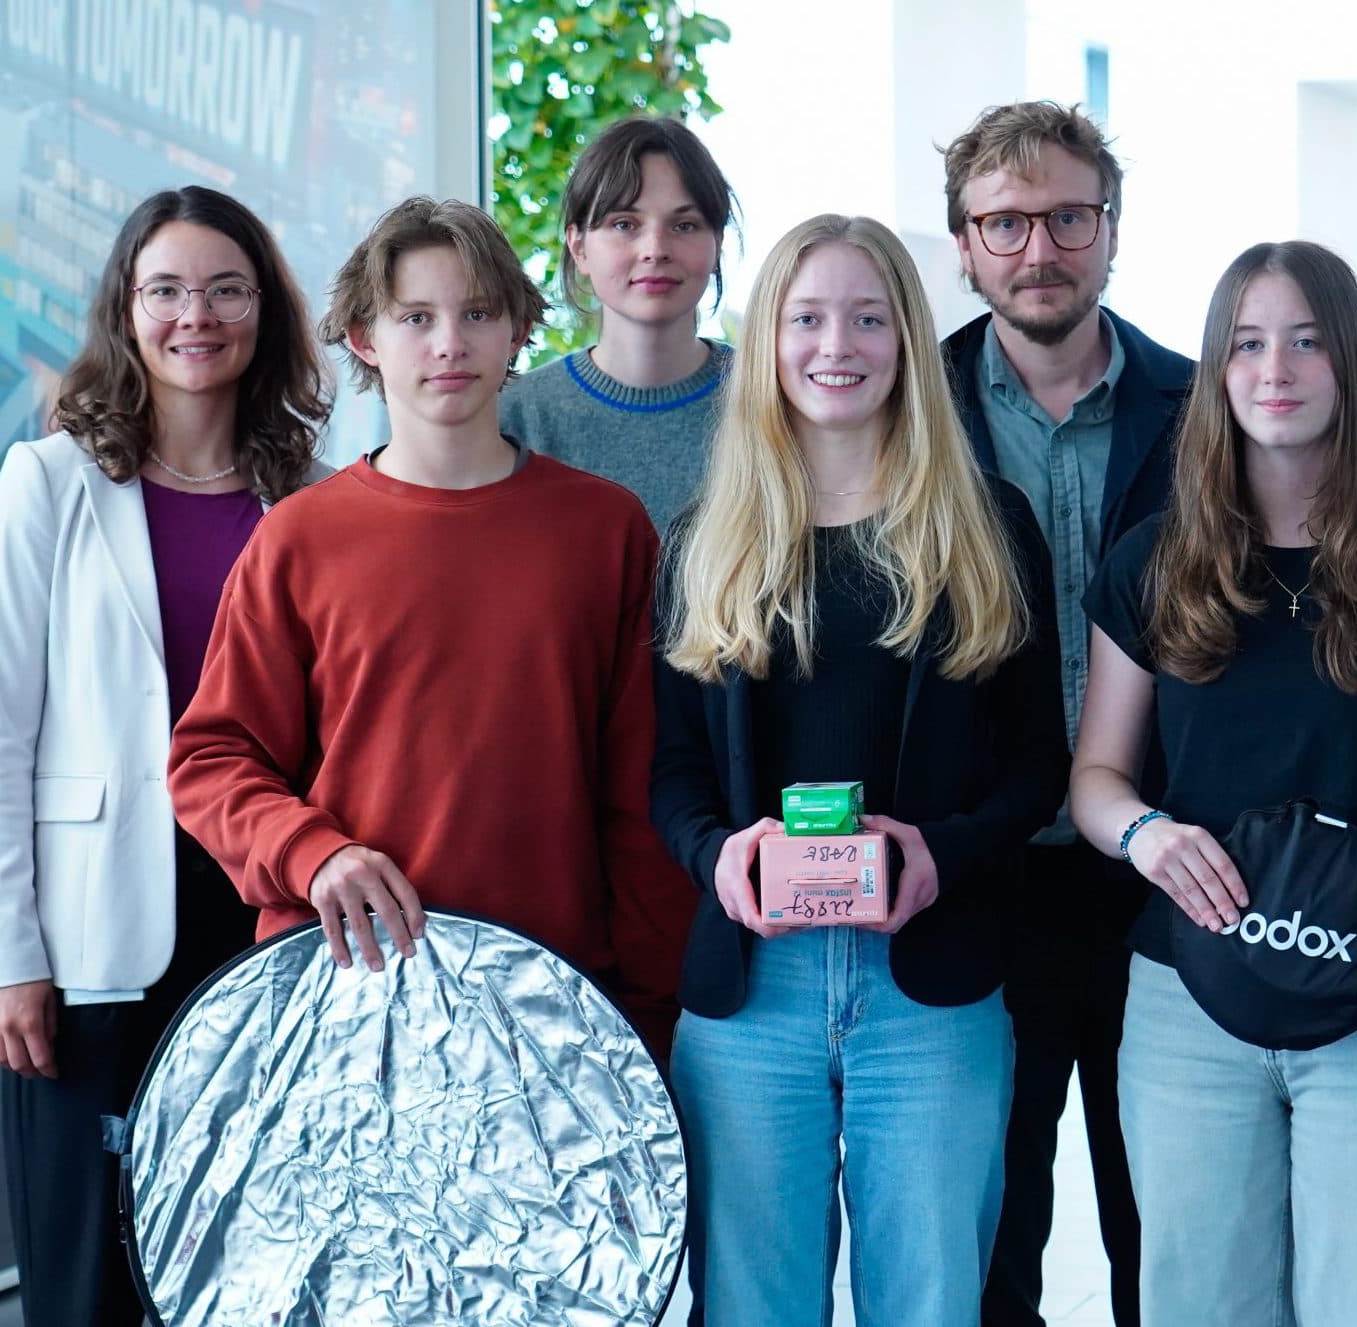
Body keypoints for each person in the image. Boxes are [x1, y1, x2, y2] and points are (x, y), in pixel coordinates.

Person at [1070, 239, 1357, 1324]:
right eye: (1249, 344)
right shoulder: (1151, 561)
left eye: (1306, 343)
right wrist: (1145, 836)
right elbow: (1094, 775)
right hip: (1189, 1002)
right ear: (1217, 371)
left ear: (1348, 367)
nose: (1276, 369)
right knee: (1200, 1304)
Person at [650, 213, 1067, 1324]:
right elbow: (670, 774)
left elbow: (1040, 765)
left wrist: (943, 849)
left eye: (869, 317)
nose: (837, 343)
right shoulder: (705, 538)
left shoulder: (988, 528)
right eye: (806, 317)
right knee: (753, 1307)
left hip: (928, 989)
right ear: (768, 338)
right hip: (753, 996)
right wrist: (717, 853)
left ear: (907, 341)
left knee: (929, 1304)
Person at [166, 196, 691, 1056]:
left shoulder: (605, 529)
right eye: (417, 317)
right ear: (366, 339)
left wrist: (651, 1011)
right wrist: (311, 853)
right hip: (343, 1001)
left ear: (519, 329)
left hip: (553, 1006)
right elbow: (211, 760)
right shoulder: (299, 537)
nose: (449, 343)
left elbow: (637, 789)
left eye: (477, 313)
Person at [0, 185, 332, 1327]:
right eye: (165, 288)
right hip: (92, 938)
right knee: (86, 1284)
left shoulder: (309, 501)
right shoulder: (50, 483)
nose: (195, 315)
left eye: (225, 288)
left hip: (260, 923)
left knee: (241, 1271)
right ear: (126, 309)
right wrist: (7, 954)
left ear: (263, 311)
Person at [938, 100, 1190, 1327]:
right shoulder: (905, 411)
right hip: (981, 871)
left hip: (1169, 866)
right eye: (1004, 223)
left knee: (1170, 1221)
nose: (1038, 249)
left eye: (1066, 218)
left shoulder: (1204, 412)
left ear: (1109, 229)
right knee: (995, 1230)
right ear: (962, 242)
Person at [498, 114, 739, 525]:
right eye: (624, 224)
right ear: (579, 247)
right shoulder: (516, 418)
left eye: (685, 225)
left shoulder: (772, 397)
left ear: (716, 243)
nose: (655, 249)